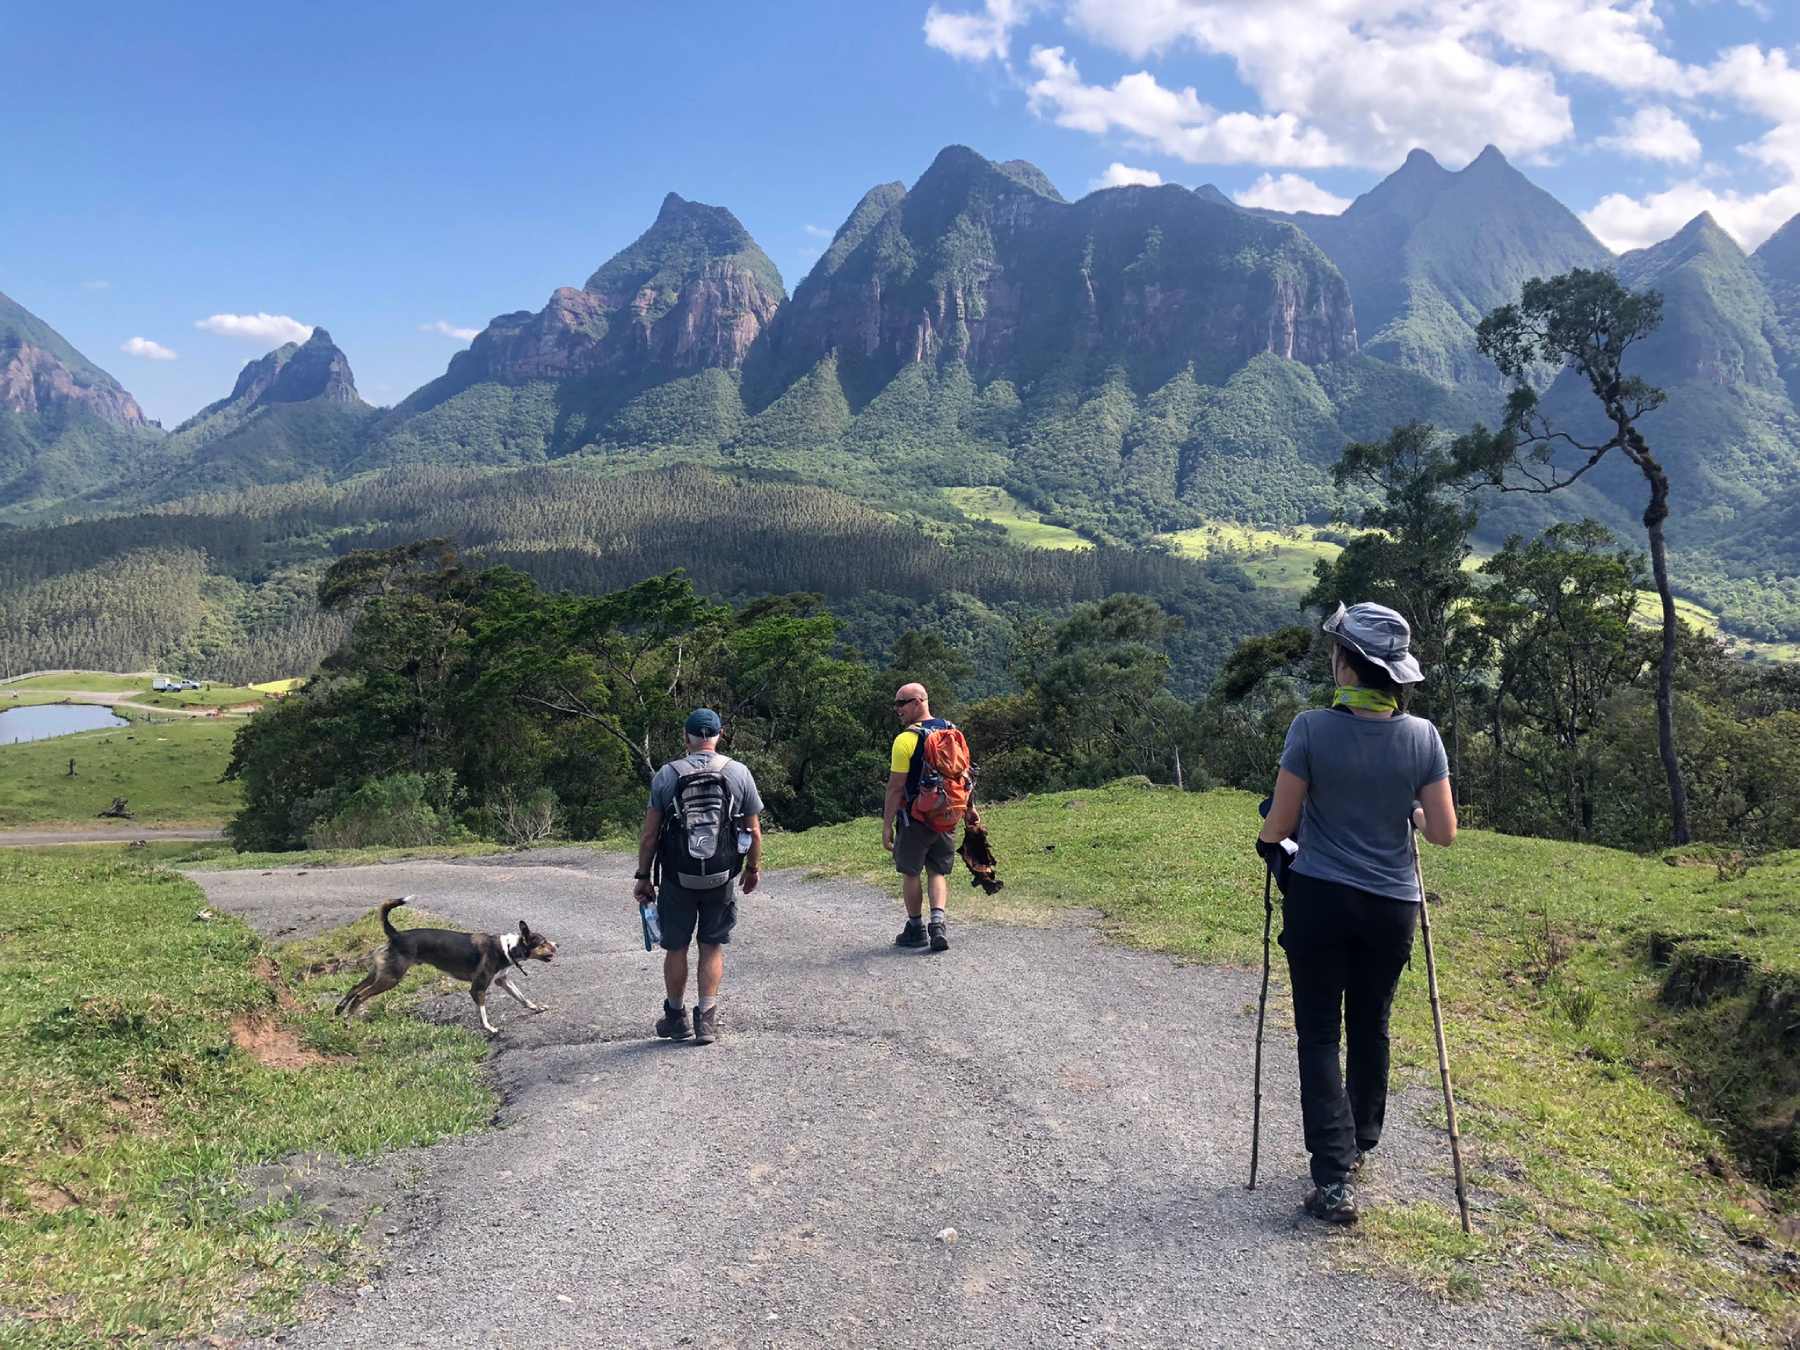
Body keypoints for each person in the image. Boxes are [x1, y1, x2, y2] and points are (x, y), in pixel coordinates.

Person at [1256, 602, 1457, 1225]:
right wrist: (1413, 815)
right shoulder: (1422, 737)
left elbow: (1280, 826)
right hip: (1391, 905)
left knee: (1320, 1033)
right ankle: (1362, 1138)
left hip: (1319, 898)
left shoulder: (1310, 729)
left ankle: (1333, 1176)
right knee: (1372, 1024)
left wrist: (1272, 831)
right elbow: (1443, 831)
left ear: (1346, 662)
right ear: (1395, 674)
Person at [633, 708, 764, 1046]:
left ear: (686, 738)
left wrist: (643, 876)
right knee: (711, 946)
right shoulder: (739, 772)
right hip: (721, 875)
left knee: (675, 947)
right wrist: (752, 868)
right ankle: (706, 1019)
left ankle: (676, 1018)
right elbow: (753, 831)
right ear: (719, 736)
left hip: (679, 877)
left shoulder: (667, 774)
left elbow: (649, 836)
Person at [883, 682, 973, 953]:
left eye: (902, 703)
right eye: (896, 703)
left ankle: (916, 928)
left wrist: (887, 824)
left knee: (910, 872)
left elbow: (895, 786)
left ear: (919, 701)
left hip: (915, 818)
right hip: (947, 815)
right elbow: (964, 776)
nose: (897, 709)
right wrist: (969, 809)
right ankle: (938, 923)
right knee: (937, 870)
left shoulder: (906, 739)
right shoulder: (952, 730)